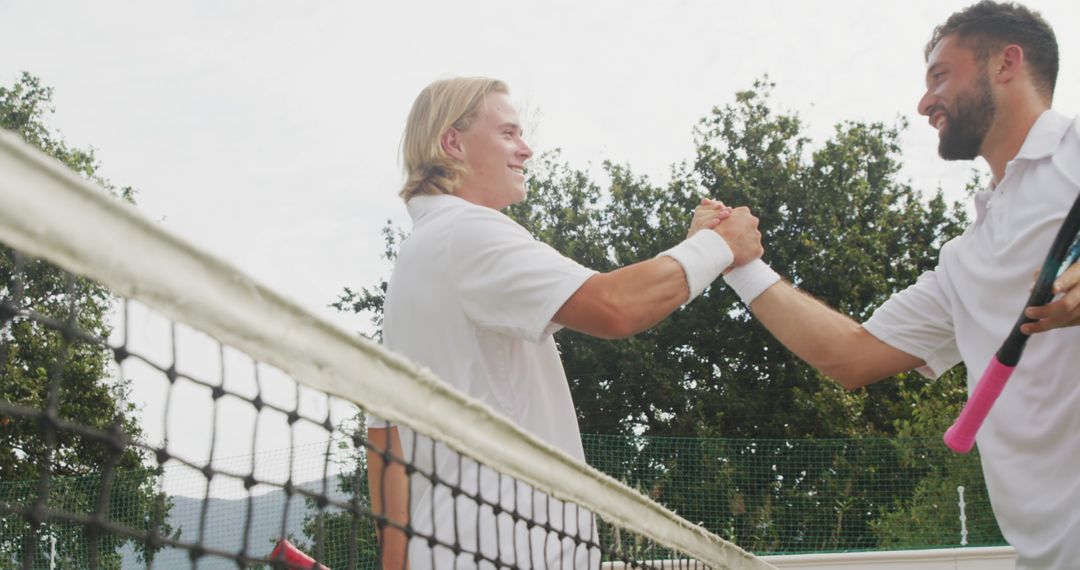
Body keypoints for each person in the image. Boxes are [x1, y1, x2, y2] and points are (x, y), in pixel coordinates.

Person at [696, 2, 1079, 567]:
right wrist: (738, 263)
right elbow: (851, 356)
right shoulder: (966, 258)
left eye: (940, 75)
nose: (925, 102)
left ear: (1007, 63)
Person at [366, 77, 763, 570]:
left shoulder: (418, 258)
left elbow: (385, 446)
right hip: (507, 551)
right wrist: (721, 246)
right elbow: (614, 305)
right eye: (509, 133)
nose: (526, 149)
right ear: (453, 142)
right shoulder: (466, 232)